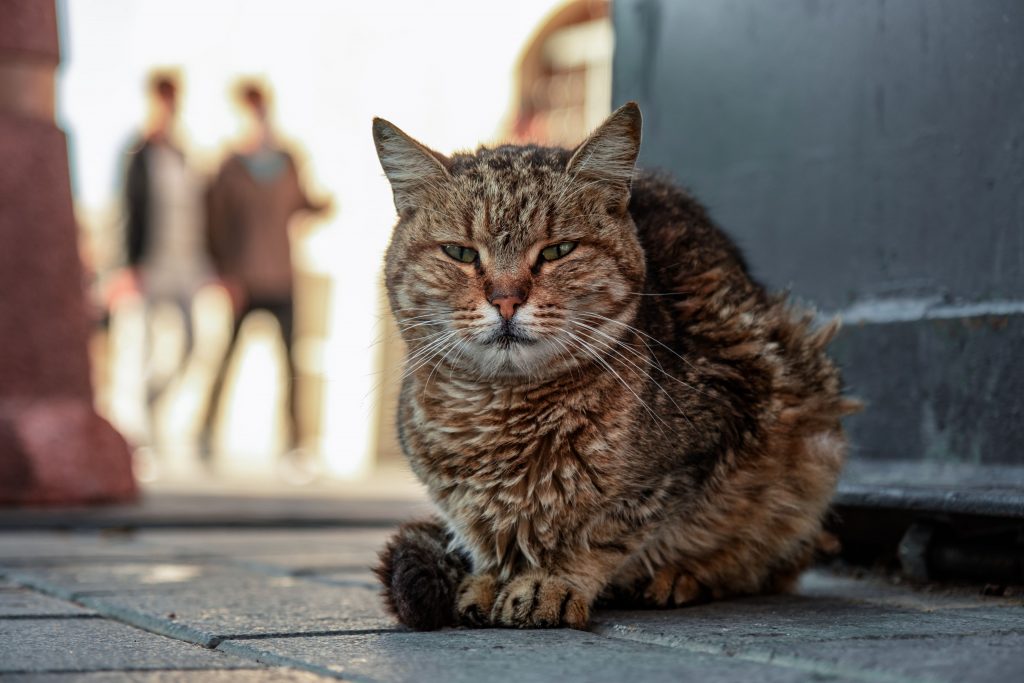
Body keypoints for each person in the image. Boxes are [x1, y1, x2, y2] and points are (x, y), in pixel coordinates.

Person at [202, 81, 329, 461]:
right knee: (225, 357)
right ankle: (205, 432)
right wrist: (225, 275)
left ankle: (294, 442)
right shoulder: (228, 167)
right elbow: (216, 226)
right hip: (244, 280)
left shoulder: (288, 160)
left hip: (281, 278)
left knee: (291, 363)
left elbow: (302, 202)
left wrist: (323, 205)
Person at [122, 72, 211, 449]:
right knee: (144, 344)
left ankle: (153, 401)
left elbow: (199, 212)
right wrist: (128, 265)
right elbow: (128, 211)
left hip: (187, 265)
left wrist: (208, 265)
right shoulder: (138, 153)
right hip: (151, 264)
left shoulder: (184, 153)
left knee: (193, 344)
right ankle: (143, 430)